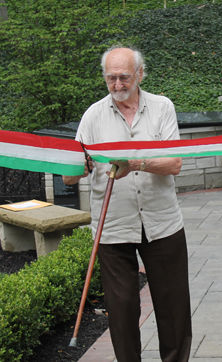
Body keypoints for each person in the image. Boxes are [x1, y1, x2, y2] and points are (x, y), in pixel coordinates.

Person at [63, 46, 192, 362]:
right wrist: (76, 167)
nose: (118, 85)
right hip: (113, 226)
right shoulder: (93, 116)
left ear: (140, 74)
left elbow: (174, 163)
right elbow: (68, 176)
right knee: (121, 312)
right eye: (111, 78)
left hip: (162, 223)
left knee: (173, 307)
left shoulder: (162, 108)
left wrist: (136, 163)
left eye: (123, 77)